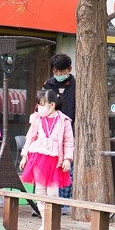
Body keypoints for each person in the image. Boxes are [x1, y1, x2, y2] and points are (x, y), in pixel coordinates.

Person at [19, 88, 74, 230]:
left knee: (53, 193)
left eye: (42, 104)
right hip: (38, 159)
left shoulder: (64, 121)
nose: (39, 107)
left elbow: (69, 141)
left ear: (52, 105)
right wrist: (25, 155)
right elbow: (30, 137)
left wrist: (68, 158)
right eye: (39, 104)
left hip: (55, 161)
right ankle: (44, 222)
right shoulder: (37, 119)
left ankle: (52, 222)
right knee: (40, 192)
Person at [43, 53, 76, 208]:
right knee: (50, 167)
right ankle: (47, 203)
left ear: (69, 69)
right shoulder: (48, 85)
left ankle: (65, 203)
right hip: (50, 133)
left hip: (70, 130)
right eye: (56, 71)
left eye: (62, 72)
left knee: (67, 167)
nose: (59, 75)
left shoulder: (76, 85)